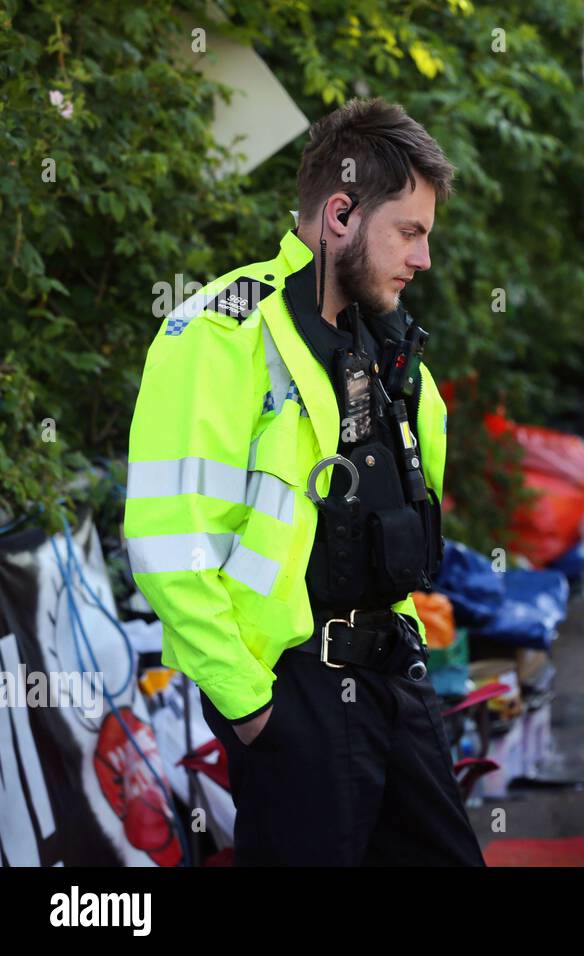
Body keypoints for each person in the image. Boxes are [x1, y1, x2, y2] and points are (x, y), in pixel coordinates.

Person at [124, 98, 485, 866]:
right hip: (295, 697)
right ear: (341, 214)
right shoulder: (223, 334)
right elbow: (166, 544)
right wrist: (252, 709)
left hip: (395, 676)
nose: (423, 259)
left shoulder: (386, 339)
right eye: (410, 232)